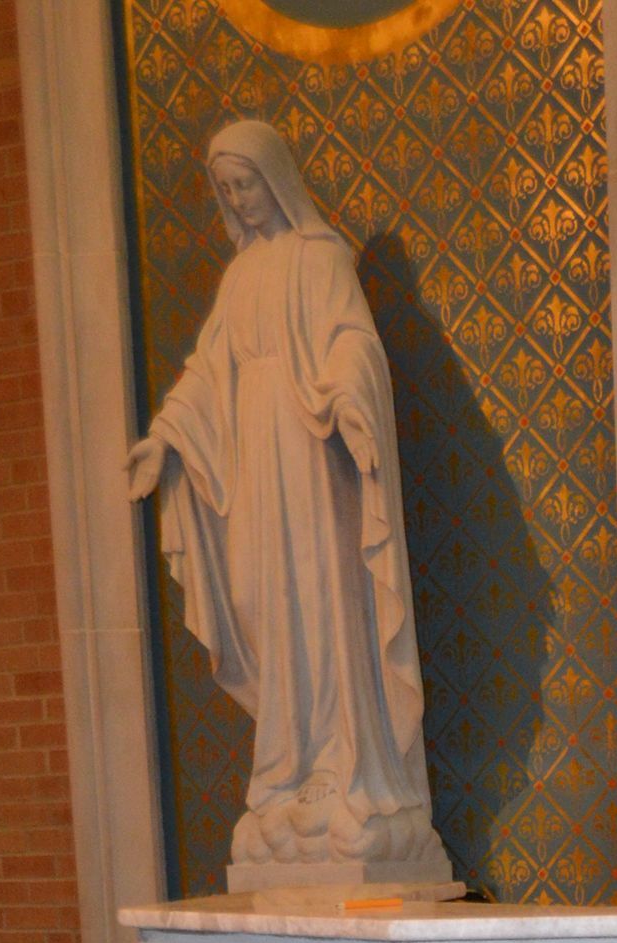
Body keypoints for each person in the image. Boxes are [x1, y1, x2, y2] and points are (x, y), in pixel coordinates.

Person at [126, 119, 452, 889]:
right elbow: (207, 371)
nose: (239, 199)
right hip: (252, 469)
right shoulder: (238, 279)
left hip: (312, 457)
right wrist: (167, 437)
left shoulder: (320, 257)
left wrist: (348, 398)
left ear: (276, 180)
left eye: (247, 183)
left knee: (326, 609)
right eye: (226, 188)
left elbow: (353, 340)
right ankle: (286, 771)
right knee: (261, 603)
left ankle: (346, 767)